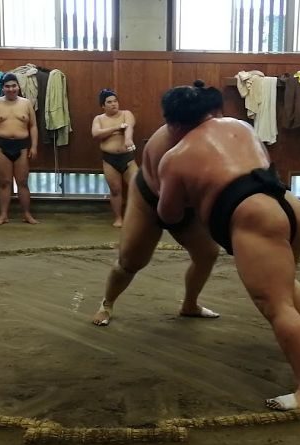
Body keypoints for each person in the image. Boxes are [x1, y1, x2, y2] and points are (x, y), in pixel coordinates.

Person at [155, 83, 300, 411]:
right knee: (286, 284)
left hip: (252, 216)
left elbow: (169, 213)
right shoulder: (240, 125)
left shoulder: (174, 157)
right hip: (287, 202)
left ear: (173, 124)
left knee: (276, 305)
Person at [91, 81, 223, 327]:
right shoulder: (164, 147)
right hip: (150, 201)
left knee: (207, 253)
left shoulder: (209, 131)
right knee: (130, 262)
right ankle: (107, 303)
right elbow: (169, 209)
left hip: (185, 204)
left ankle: (190, 304)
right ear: (172, 122)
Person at [0, 73, 39, 225]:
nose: (11, 89)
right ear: (2, 88)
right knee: (4, 182)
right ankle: (3, 215)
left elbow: (33, 126)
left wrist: (34, 146)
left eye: (13, 86)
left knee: (22, 182)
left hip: (21, 146)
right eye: (7, 86)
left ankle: (27, 214)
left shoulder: (26, 103)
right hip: (2, 146)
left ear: (18, 87)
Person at [92, 89, 139, 227]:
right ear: (103, 105)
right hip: (109, 160)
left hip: (127, 158)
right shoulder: (99, 119)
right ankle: (118, 218)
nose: (114, 104)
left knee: (137, 188)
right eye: (109, 102)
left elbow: (129, 127)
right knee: (115, 189)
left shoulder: (126, 114)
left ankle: (135, 217)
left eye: (115, 101)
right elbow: (96, 134)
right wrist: (116, 128)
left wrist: (128, 139)